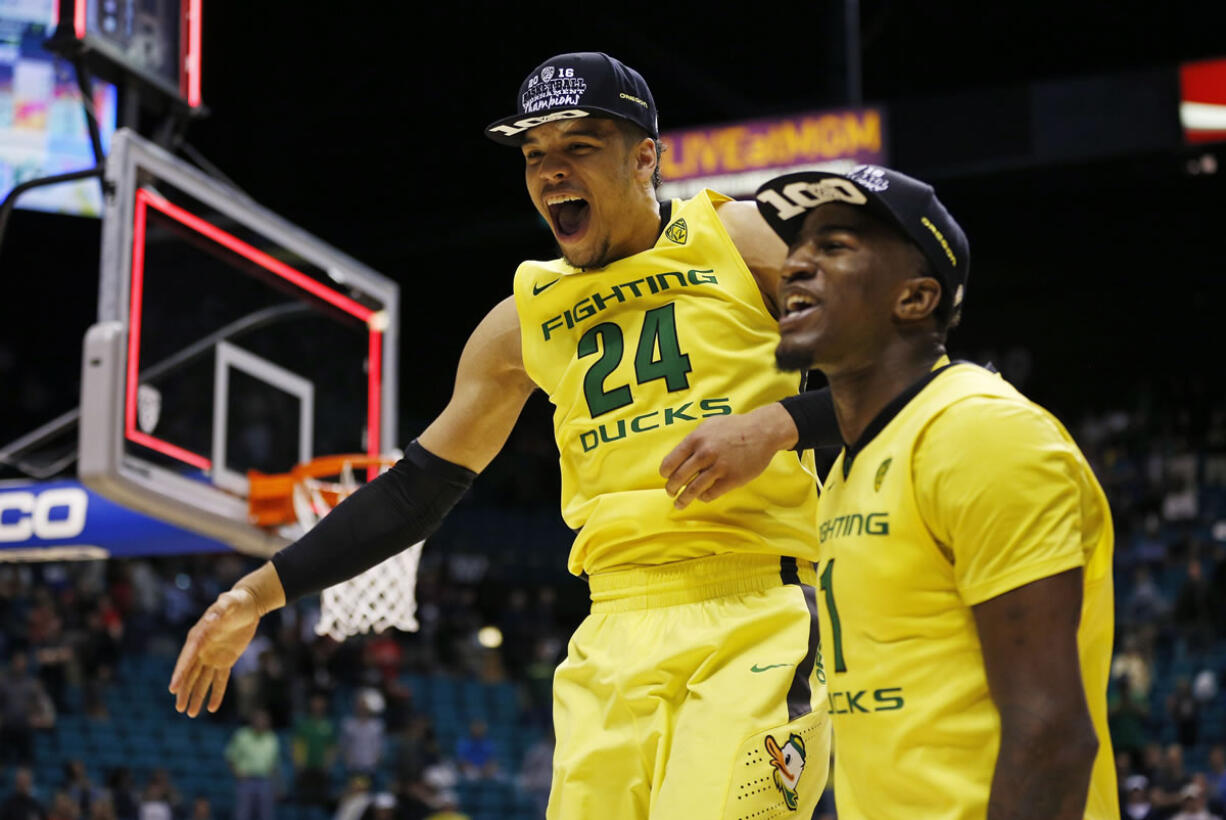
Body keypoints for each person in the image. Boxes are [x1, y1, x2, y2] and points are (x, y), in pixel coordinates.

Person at [169, 51, 833, 817]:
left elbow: (908, 368)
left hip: (754, 606)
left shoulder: (742, 238)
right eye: (534, 155)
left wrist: (775, 425)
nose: (552, 171)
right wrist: (256, 594)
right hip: (611, 631)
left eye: (578, 147)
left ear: (645, 155)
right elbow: (416, 489)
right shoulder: (521, 320)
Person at [660, 164, 1118, 819]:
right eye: (798, 248)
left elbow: (1051, 734)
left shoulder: (980, 433)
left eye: (835, 247)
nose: (795, 267)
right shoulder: (851, 469)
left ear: (915, 299)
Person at [224, 709, 279, 820]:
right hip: (246, 780)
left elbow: (274, 764)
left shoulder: (272, 738)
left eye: (264, 720)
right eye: (258, 719)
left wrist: (277, 785)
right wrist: (236, 773)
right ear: (252, 721)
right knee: (243, 814)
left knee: (266, 815)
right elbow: (230, 756)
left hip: (265, 781)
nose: (261, 722)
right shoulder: (242, 735)